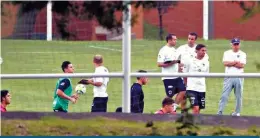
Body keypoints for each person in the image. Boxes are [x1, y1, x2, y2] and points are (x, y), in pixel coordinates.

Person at [217, 38, 247, 116]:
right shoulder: (226, 53)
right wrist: (235, 62)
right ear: (231, 45)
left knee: (238, 96)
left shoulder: (243, 54)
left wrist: (231, 63)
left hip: (239, 77)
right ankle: (220, 112)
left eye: (237, 44)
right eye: (234, 44)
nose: (236, 46)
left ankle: (237, 112)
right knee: (224, 95)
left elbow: (241, 65)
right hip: (228, 77)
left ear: (239, 45)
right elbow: (225, 63)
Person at [157, 34, 186, 112]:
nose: (176, 41)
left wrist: (179, 66)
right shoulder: (163, 50)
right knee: (169, 96)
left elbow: (175, 61)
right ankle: (162, 111)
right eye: (174, 39)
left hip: (177, 76)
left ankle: (173, 108)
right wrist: (171, 63)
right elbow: (159, 64)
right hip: (168, 77)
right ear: (169, 40)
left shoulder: (174, 49)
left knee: (183, 91)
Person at [183, 44, 209, 114]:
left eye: (205, 51)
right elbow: (184, 74)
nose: (204, 52)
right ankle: (193, 122)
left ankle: (196, 122)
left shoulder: (206, 62)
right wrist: (187, 85)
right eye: (202, 50)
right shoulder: (190, 61)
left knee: (199, 108)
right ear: (196, 51)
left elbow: (206, 74)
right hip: (192, 88)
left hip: (201, 88)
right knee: (196, 108)